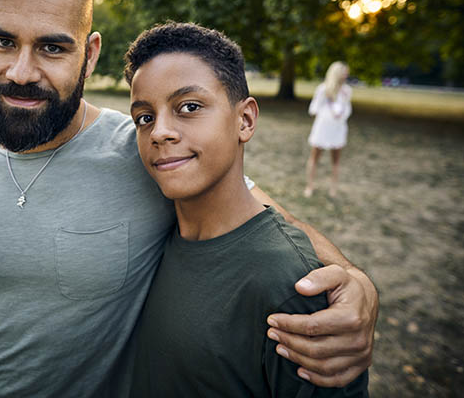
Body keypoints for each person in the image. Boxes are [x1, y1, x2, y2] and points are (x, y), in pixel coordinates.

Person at [0, 0, 377, 398]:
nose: (21, 73)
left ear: (89, 55)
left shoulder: (143, 153)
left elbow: (260, 219)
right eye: (1, 42)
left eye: (52, 47)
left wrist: (356, 282)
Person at [125, 23, 368, 397]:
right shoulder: (153, 231)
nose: (159, 132)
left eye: (189, 107)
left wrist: (358, 279)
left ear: (245, 120)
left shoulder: (290, 283)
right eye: (144, 117)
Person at [305, 62, 352, 198]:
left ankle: (333, 188)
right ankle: (310, 186)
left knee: (335, 160)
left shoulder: (347, 91)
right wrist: (326, 101)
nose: (346, 76)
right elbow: (313, 109)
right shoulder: (322, 89)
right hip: (322, 129)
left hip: (338, 129)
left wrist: (341, 114)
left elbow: (348, 109)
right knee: (314, 157)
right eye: (344, 73)